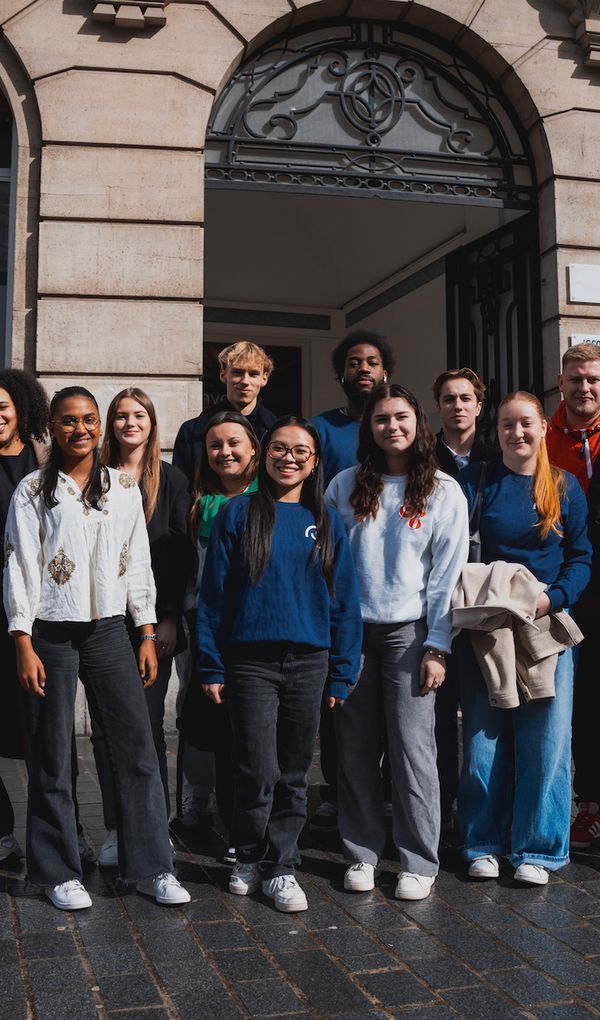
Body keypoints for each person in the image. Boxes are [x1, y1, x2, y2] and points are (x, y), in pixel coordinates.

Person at [3, 385, 190, 909]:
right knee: (51, 755)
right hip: (50, 631)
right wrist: (22, 638)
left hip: (110, 630)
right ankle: (56, 870)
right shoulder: (33, 491)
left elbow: (140, 564)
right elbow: (18, 566)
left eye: (89, 420)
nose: (80, 429)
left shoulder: (124, 488)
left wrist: (147, 632)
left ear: (98, 427)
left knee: (136, 749)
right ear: (53, 427)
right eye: (68, 421)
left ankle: (151, 866)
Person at [197, 417, 362, 912]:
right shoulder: (237, 512)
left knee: (294, 771)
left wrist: (343, 670)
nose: (289, 458)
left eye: (301, 452)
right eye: (280, 449)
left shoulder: (328, 522)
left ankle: (282, 866)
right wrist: (210, 664)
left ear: (314, 464)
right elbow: (214, 597)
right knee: (255, 767)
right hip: (249, 662)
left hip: (309, 662)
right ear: (263, 454)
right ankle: (247, 854)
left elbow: (344, 603)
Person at [326, 383, 469, 901]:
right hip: (354, 632)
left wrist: (437, 646)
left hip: (410, 633)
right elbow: (330, 566)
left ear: (419, 423)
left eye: (402, 417)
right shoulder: (343, 486)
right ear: (370, 427)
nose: (393, 427)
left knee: (413, 750)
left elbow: (446, 575)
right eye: (382, 419)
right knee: (356, 749)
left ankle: (418, 861)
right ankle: (361, 855)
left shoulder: (442, 491)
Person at [457, 391, 591, 885]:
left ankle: (538, 850)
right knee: (483, 739)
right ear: (497, 431)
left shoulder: (564, 486)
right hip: (488, 627)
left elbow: (580, 557)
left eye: (526, 424)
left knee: (547, 741)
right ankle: (482, 842)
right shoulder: (478, 481)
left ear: (541, 428)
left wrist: (551, 599)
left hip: (544, 627)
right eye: (508, 425)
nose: (517, 433)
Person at [90, 387, 190, 868]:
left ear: (152, 424)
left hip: (154, 625)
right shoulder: (93, 480)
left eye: (139, 415)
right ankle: (115, 827)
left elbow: (178, 554)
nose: (130, 423)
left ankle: (153, 824)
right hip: (101, 622)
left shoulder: (171, 480)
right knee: (105, 730)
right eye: (121, 416)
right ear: (111, 424)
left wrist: (168, 616)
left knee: (148, 726)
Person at [311, 330, 395, 832]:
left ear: (385, 372)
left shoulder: (396, 425)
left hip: (390, 580)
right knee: (338, 689)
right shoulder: (323, 429)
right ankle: (337, 787)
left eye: (373, 362)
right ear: (342, 373)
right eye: (355, 362)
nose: (364, 369)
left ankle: (383, 791)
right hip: (337, 574)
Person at [176, 411, 260, 855]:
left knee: (251, 734)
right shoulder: (199, 504)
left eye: (233, 444)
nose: (224, 452)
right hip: (208, 628)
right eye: (215, 446)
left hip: (256, 632)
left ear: (253, 449)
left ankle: (251, 825)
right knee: (210, 726)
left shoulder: (272, 498)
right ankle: (217, 813)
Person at [431, 367, 498, 829]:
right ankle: (434, 807)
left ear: (479, 405)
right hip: (434, 597)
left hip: (483, 598)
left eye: (465, 398)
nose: (458, 405)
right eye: (449, 398)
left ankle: (481, 812)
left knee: (481, 710)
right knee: (434, 712)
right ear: (439, 406)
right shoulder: (421, 455)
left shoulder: (497, 459)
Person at [545, 343, 600, 850]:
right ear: (560, 382)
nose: (585, 388)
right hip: (560, 587)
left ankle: (591, 804)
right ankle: (563, 800)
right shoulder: (541, 439)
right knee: (561, 702)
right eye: (576, 378)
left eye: (593, 379)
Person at [0, 370, 48, 864]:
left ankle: (60, 829)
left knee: (42, 727)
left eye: (2, 406)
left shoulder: (44, 466)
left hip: (35, 615)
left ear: (21, 409)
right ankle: (1, 828)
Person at [173, 341, 276, 489]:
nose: (245, 381)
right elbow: (181, 490)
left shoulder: (275, 431)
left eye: (253, 374)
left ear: (264, 378)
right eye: (237, 372)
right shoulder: (192, 431)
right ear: (223, 374)